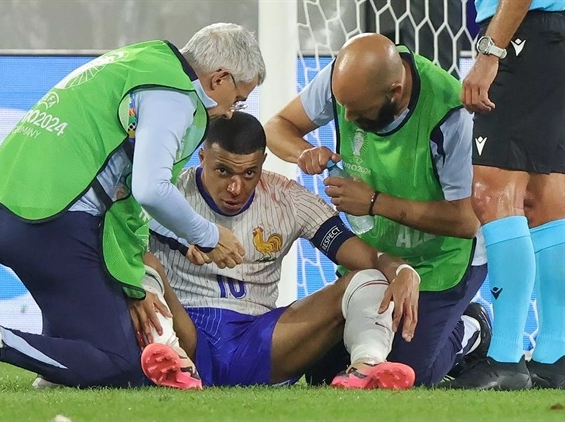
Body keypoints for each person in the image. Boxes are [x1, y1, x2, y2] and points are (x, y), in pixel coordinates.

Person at [0, 22, 265, 390]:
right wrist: (206, 235)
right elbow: (149, 189)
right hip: (49, 221)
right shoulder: (175, 95)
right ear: (219, 78)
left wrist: (176, 238)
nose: (231, 111)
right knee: (123, 364)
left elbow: (120, 191)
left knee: (84, 347)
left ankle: (58, 375)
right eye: (238, 98)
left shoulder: (144, 59)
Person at [146, 112, 484, 389]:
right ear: (202, 156)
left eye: (249, 173)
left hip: (261, 338)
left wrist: (399, 269)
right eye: (223, 171)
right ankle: (170, 358)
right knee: (141, 266)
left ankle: (368, 365)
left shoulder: (287, 199)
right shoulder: (168, 195)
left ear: (263, 162)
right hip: (185, 326)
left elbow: (360, 253)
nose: (235, 187)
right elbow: (120, 236)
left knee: (367, 277)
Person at [264, 33, 489, 387]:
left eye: (360, 111)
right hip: (374, 258)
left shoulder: (450, 115)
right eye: (343, 108)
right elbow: (277, 127)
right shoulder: (345, 80)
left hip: (440, 262)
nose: (348, 118)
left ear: (395, 92)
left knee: (408, 374)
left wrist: (373, 203)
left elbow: (467, 219)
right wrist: (303, 152)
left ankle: (471, 326)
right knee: (321, 373)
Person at [442, 0, 565, 390]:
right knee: (547, 197)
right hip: (553, 37)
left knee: (493, 192)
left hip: (523, 33)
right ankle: (553, 356)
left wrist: (491, 51)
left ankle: (506, 358)